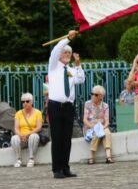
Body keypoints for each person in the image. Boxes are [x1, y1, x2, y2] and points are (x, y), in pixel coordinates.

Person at [47, 30, 85, 178]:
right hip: (55, 105)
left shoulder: (70, 70)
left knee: (66, 138)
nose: (67, 55)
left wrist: (78, 64)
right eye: (65, 53)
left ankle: (65, 167)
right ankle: (56, 169)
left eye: (69, 53)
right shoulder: (53, 66)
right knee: (56, 138)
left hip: (68, 106)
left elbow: (80, 79)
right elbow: (55, 50)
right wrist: (67, 39)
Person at [83, 86, 113, 164]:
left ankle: (108, 156)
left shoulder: (105, 106)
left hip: (102, 126)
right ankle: (91, 156)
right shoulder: (87, 104)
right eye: (92, 94)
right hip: (90, 127)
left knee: (107, 132)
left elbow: (107, 122)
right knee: (96, 132)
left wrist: (102, 128)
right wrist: (93, 127)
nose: (93, 96)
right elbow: (85, 120)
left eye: (96, 94)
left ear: (101, 96)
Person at [11, 93, 43, 168]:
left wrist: (28, 134)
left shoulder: (37, 113)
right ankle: (18, 159)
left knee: (33, 136)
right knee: (14, 138)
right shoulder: (18, 113)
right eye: (23, 101)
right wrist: (21, 135)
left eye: (27, 101)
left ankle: (31, 158)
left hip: (32, 135)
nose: (25, 103)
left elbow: (39, 127)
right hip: (21, 136)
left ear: (31, 102)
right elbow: (16, 128)